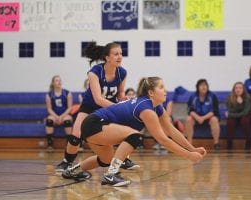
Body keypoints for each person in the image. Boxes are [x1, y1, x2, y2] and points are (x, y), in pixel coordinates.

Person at [62, 77, 207, 187]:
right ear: (151, 92)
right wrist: (188, 156)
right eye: (162, 87)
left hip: (97, 126)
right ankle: (110, 175)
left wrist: (192, 148)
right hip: (95, 123)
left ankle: (72, 171)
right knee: (135, 136)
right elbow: (163, 139)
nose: (165, 91)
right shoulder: (146, 108)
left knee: (106, 160)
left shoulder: (157, 107)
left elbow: (171, 130)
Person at [55, 41, 139, 171]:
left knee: (124, 131)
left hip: (109, 107)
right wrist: (118, 108)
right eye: (116, 54)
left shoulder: (122, 72)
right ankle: (66, 162)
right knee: (76, 135)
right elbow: (98, 99)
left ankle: (123, 159)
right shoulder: (94, 72)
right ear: (107, 57)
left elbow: (121, 93)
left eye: (121, 54)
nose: (120, 57)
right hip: (90, 106)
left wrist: (127, 100)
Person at [185, 79, 220, 150]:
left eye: (205, 85)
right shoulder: (193, 96)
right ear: (197, 87)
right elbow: (190, 110)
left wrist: (203, 118)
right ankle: (189, 144)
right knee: (188, 119)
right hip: (196, 117)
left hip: (208, 117)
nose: (203, 87)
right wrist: (197, 117)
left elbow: (215, 111)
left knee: (214, 119)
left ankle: (216, 143)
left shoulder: (212, 96)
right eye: (201, 85)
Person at [45, 75, 73, 150]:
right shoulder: (49, 95)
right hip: (54, 114)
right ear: (53, 83)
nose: (59, 82)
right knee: (49, 121)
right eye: (57, 81)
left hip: (65, 114)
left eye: (60, 80)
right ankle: (50, 144)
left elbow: (70, 108)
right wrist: (57, 117)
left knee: (67, 121)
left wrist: (61, 117)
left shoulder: (67, 93)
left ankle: (69, 144)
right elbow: (49, 109)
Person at [225, 82, 251, 150]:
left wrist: (240, 104)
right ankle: (229, 143)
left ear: (243, 89)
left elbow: (245, 112)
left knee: (244, 120)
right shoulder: (230, 98)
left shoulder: (247, 97)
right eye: (236, 88)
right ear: (234, 89)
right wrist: (237, 105)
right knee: (230, 122)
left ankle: (248, 141)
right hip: (235, 117)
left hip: (246, 116)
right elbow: (230, 110)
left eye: (240, 88)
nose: (238, 90)